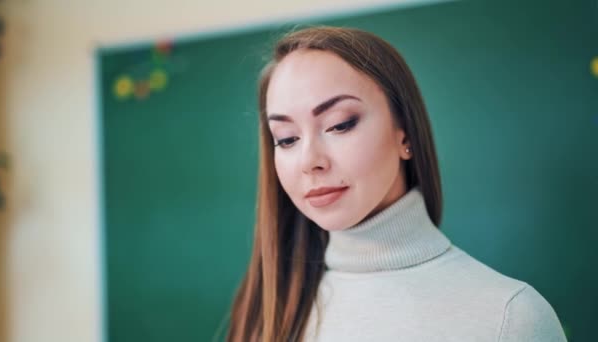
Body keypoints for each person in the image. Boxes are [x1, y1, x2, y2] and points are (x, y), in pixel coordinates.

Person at [227, 26, 566, 342]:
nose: (309, 161)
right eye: (286, 139)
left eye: (340, 124)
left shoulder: (511, 318)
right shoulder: (265, 315)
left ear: (404, 133)